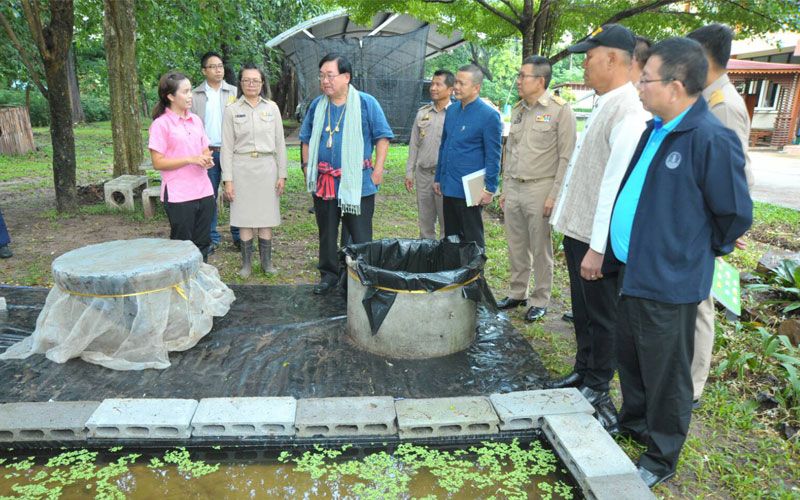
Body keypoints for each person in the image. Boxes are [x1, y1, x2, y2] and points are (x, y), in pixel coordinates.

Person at [607, 37, 752, 487]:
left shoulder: (710, 138)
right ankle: (634, 422)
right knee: (630, 356)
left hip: (669, 278)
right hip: (633, 270)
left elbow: (733, 214)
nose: (639, 87)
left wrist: (689, 251)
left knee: (666, 372)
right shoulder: (655, 130)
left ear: (675, 86)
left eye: (646, 79)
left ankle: (661, 453)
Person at [548, 24, 650, 432]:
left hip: (599, 237)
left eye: (590, 56)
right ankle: (583, 368)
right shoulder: (605, 102)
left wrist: (598, 246)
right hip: (581, 230)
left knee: (603, 314)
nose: (584, 63)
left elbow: (616, 185)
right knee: (583, 310)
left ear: (613, 59)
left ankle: (598, 384)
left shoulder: (629, 110)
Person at [687, 23, 755, 408]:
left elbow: (734, 170)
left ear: (703, 54)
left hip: (708, 222)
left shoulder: (723, 104)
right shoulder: (708, 97)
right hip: (697, 218)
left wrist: (727, 227)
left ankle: (694, 383)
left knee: (701, 304)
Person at [299, 53, 393, 295]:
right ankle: (329, 275)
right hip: (326, 182)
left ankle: (358, 276)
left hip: (358, 181)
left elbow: (382, 137)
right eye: (321, 76)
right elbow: (306, 138)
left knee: (360, 235)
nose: (325, 81)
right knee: (327, 232)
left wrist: (378, 170)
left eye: (330, 75)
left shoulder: (366, 102)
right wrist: (306, 166)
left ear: (346, 77)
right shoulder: (318, 106)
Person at [497, 56, 576, 322]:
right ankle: (518, 292)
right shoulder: (519, 109)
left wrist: (554, 195)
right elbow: (510, 151)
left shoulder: (560, 110)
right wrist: (505, 189)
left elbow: (566, 157)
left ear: (540, 81)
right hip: (515, 187)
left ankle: (540, 299)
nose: (518, 81)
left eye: (523, 76)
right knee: (516, 244)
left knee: (541, 248)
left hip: (541, 188)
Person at [221, 64, 288, 278]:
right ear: (240, 84)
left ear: (262, 83)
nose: (251, 84)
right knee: (244, 218)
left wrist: (282, 174)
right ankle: (246, 264)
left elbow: (280, 144)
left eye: (255, 80)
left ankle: (267, 264)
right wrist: (228, 180)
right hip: (241, 170)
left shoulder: (272, 108)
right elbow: (227, 147)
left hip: (267, 169)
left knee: (266, 217)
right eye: (246, 80)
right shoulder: (232, 110)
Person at [148, 71, 215, 261]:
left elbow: (204, 150)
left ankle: (200, 283)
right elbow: (157, 162)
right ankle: (181, 287)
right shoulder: (161, 125)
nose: (190, 96)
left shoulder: (196, 120)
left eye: (190, 91)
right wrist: (190, 159)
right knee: (182, 245)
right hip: (179, 195)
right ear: (170, 96)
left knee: (203, 242)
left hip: (204, 191)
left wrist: (206, 158)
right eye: (185, 92)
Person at [434, 64, 502, 249]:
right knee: (451, 238)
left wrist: (490, 188)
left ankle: (474, 276)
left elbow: (493, 155)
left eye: (461, 83)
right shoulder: (453, 110)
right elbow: (444, 146)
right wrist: (438, 177)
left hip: (471, 190)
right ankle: (454, 273)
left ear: (476, 88)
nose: (456, 86)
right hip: (449, 185)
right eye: (455, 82)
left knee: (472, 240)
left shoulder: (489, 116)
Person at [191, 51, 240, 251]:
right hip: (207, 153)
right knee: (208, 197)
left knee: (236, 194)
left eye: (220, 66)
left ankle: (238, 235)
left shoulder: (235, 92)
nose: (218, 70)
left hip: (232, 151)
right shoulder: (194, 96)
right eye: (213, 66)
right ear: (204, 71)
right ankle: (211, 237)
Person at [405, 69, 454, 239]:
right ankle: (427, 260)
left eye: (438, 84)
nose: (433, 88)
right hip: (423, 175)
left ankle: (445, 262)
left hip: (446, 178)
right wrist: (409, 172)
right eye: (432, 84)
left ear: (450, 89)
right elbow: (414, 144)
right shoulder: (423, 113)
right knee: (425, 224)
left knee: (447, 225)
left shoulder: (456, 114)